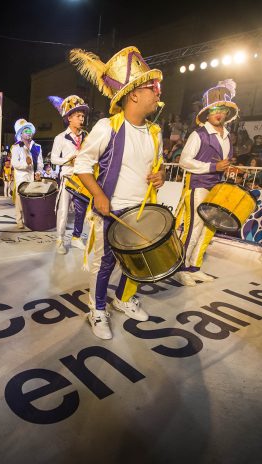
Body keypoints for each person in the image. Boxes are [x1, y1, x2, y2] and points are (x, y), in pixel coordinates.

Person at [70, 45, 164, 339]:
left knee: (137, 261)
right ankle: (97, 310)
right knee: (105, 263)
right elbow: (82, 164)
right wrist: (98, 194)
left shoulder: (154, 133)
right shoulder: (106, 126)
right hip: (111, 210)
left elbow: (155, 169)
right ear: (134, 93)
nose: (158, 93)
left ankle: (124, 299)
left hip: (142, 209)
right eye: (153, 88)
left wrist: (159, 176)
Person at [175, 79, 239, 287]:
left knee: (208, 230)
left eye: (222, 109)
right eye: (214, 110)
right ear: (207, 113)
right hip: (199, 185)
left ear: (227, 113)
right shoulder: (199, 134)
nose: (219, 113)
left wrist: (229, 170)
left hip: (217, 188)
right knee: (194, 227)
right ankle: (182, 268)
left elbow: (222, 163)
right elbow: (184, 161)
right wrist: (213, 168)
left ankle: (195, 266)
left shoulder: (228, 137)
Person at [48, 94, 90, 254]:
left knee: (81, 210)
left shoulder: (87, 136)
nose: (82, 119)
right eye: (78, 116)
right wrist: (68, 159)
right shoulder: (60, 138)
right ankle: (59, 239)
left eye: (83, 116)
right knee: (63, 210)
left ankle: (76, 238)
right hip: (67, 179)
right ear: (69, 118)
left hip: (83, 179)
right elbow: (53, 158)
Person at [10, 119, 43, 229]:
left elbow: (40, 163)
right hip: (21, 177)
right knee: (20, 199)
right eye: (25, 131)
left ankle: (30, 220)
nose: (28, 133)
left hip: (33, 177)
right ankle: (19, 220)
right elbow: (14, 163)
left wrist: (39, 172)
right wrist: (25, 163)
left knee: (32, 199)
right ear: (21, 134)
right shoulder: (16, 147)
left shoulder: (37, 147)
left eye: (29, 131)